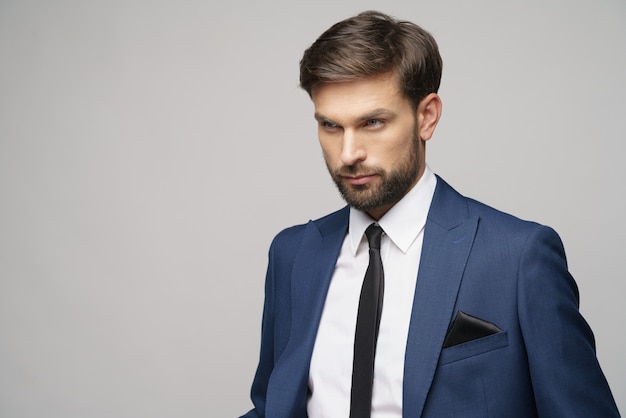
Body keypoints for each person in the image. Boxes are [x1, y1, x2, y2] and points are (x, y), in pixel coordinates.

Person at [240, 10, 620, 418]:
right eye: (331, 126)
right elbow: (270, 407)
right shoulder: (292, 254)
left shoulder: (518, 257)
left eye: (372, 122)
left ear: (427, 116)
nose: (348, 154)